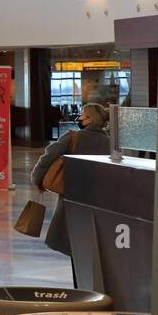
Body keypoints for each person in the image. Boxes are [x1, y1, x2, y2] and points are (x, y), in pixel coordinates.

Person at [32, 102, 111, 280]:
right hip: (100, 200)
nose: (80, 118)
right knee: (92, 243)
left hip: (73, 197)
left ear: (90, 119)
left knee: (73, 242)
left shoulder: (72, 136)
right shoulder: (110, 141)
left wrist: (38, 179)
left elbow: (48, 157)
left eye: (83, 115)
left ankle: (79, 283)